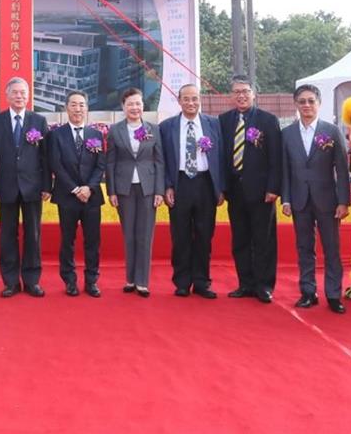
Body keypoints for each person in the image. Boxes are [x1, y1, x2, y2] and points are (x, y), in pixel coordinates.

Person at [280, 84, 350, 314]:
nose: (307, 105)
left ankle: (333, 294)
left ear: (318, 104)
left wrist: (344, 201)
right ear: (296, 104)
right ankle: (308, 292)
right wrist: (286, 199)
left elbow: (342, 169)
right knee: (304, 247)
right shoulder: (287, 134)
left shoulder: (331, 131)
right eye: (302, 101)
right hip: (299, 200)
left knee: (331, 248)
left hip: (328, 200)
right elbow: (285, 170)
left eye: (311, 101)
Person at [218, 74, 283, 303]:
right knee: (240, 239)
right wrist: (222, 188)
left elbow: (276, 157)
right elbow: (221, 157)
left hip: (262, 192)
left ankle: (264, 285)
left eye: (245, 91)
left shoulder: (268, 120)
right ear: (231, 96)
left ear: (254, 94)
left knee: (263, 239)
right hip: (235, 191)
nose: (241, 96)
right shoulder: (224, 120)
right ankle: (245, 283)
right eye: (237, 92)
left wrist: (273, 187)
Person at [0, 76, 50, 297]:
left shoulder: (39, 121)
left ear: (29, 96)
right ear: (7, 95)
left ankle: (32, 280)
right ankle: (10, 281)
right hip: (6, 187)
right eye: (15, 92)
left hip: (33, 188)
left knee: (33, 235)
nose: (19, 96)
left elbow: (45, 158)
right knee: (7, 236)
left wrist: (46, 186)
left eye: (23, 93)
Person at [160, 83, 226, 299]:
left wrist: (220, 188)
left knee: (204, 235)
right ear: (179, 101)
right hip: (180, 183)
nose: (191, 103)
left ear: (200, 100)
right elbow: (162, 160)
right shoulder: (167, 126)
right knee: (180, 236)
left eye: (195, 98)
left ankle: (201, 282)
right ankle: (182, 281)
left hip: (205, 183)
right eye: (186, 99)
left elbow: (221, 157)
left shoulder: (213, 124)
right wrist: (167, 185)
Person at [103, 87, 164, 297]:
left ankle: (142, 282)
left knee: (145, 235)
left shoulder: (153, 129)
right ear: (123, 107)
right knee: (128, 234)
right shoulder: (115, 130)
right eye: (130, 104)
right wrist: (111, 191)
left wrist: (159, 191)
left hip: (148, 188)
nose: (134, 107)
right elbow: (110, 162)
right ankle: (130, 279)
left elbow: (159, 161)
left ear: (143, 106)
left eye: (138, 103)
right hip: (124, 188)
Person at [45, 90, 105, 297]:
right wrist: (75, 188)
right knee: (67, 240)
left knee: (92, 241)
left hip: (92, 197)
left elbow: (100, 165)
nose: (78, 109)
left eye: (81, 105)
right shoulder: (56, 135)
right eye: (73, 105)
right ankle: (69, 280)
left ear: (87, 108)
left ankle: (91, 280)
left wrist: (89, 187)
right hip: (67, 196)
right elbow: (56, 164)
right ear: (66, 108)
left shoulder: (96, 135)